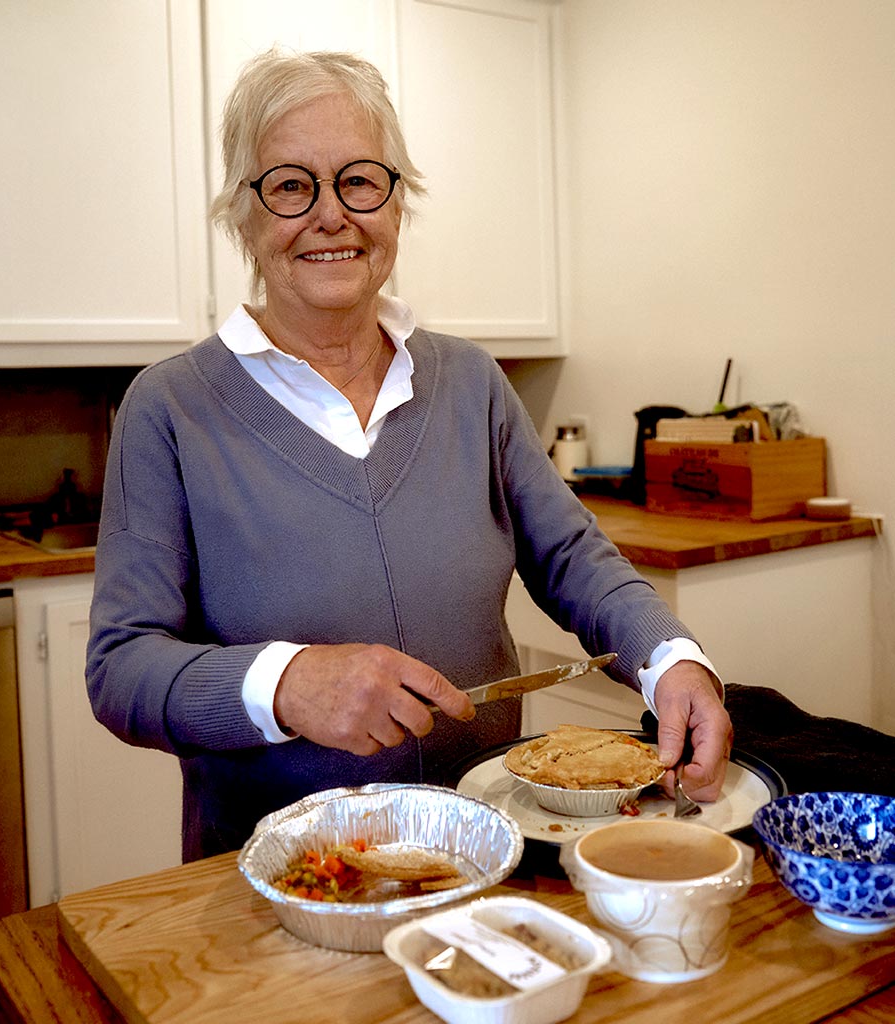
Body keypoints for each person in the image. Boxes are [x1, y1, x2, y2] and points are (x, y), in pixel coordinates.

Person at [86, 49, 732, 861]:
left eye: (360, 180)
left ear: (397, 200)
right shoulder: (168, 409)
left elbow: (573, 557)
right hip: (277, 883)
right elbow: (122, 669)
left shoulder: (471, 382)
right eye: (291, 184)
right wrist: (287, 686)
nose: (332, 215)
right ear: (243, 216)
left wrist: (670, 661)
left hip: (487, 853)